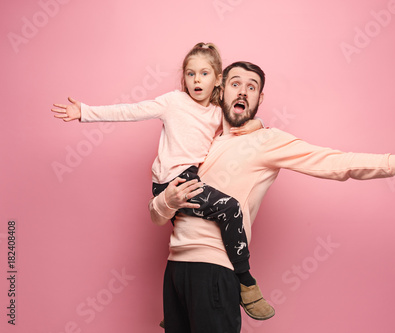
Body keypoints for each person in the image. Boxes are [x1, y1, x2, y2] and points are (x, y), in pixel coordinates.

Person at [150, 61, 395, 332]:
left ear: (259, 98)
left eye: (252, 86)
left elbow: (335, 162)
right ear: (221, 92)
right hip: (175, 269)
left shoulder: (268, 141)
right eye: (235, 83)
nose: (243, 91)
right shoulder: (200, 140)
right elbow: (156, 214)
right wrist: (167, 202)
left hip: (215, 269)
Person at [50, 43, 276, 322]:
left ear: (218, 79)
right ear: (184, 79)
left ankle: (178, 314)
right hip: (171, 183)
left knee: (195, 228)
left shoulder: (218, 113)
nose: (196, 80)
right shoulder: (173, 102)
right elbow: (131, 110)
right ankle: (246, 282)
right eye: (190, 74)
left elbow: (241, 124)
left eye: (204, 73)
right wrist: (85, 112)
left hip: (192, 179)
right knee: (229, 209)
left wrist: (259, 123)